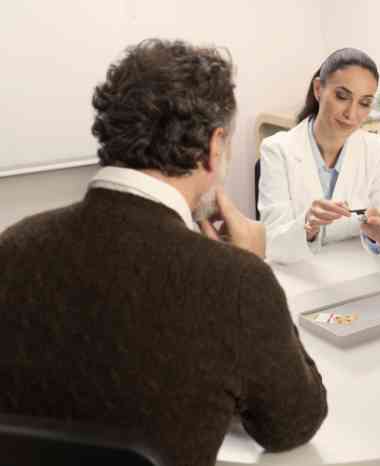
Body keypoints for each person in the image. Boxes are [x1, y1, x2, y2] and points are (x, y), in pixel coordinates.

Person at [0, 39, 327, 466]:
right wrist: (250, 266)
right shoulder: (236, 282)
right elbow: (293, 423)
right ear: (215, 147)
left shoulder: (12, 246)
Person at [258, 48, 380, 264]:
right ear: (318, 89)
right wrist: (308, 226)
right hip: (300, 278)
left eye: (364, 103)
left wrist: (378, 234)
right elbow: (272, 245)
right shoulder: (277, 149)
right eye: (342, 96)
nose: (351, 114)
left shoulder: (376, 150)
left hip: (355, 276)